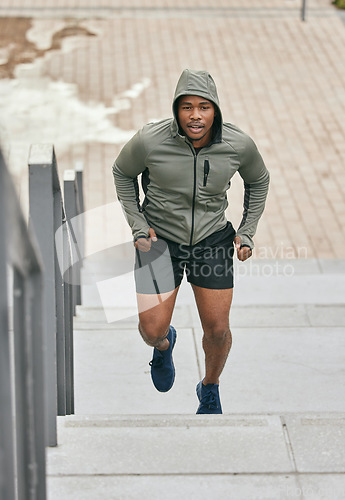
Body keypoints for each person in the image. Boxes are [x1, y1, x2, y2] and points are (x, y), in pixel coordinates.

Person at [112, 69, 269, 414]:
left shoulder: (237, 144)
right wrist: (138, 223)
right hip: (159, 242)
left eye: (203, 107)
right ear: (176, 109)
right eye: (186, 107)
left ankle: (209, 387)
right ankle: (165, 346)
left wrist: (247, 229)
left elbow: (259, 181)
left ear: (215, 110)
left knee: (216, 330)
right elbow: (122, 173)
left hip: (212, 240)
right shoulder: (150, 140)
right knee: (151, 330)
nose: (195, 116)